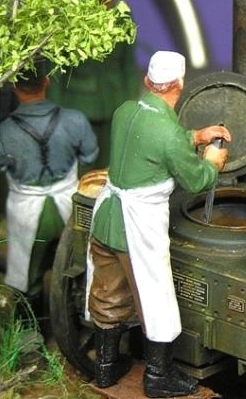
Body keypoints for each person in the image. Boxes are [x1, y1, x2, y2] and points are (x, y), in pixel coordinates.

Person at [86, 51, 230, 397]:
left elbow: (154, 143)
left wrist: (195, 136)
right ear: (179, 84)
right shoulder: (167, 134)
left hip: (107, 220)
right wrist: (213, 160)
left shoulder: (125, 111)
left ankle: (106, 367)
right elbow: (196, 179)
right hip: (138, 227)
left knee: (109, 293)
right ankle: (158, 376)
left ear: (148, 82)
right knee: (157, 298)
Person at [0, 61, 98, 312]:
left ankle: (32, 327)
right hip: (69, 208)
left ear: (15, 88)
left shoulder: (4, 130)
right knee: (78, 264)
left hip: (27, 212)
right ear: (47, 82)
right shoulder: (74, 119)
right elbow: (90, 155)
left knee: (27, 277)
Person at [48, 0, 141, 168]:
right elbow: (58, 68)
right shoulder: (73, 15)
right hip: (78, 104)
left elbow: (128, 65)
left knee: (110, 163)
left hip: (114, 102)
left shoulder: (123, 16)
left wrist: (132, 102)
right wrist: (55, 107)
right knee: (81, 164)